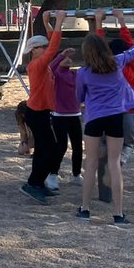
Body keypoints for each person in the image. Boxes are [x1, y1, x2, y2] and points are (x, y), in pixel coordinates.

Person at [76, 25, 134, 225]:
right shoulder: (117, 62)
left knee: (90, 163)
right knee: (114, 164)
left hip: (94, 118)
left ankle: (85, 209)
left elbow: (79, 96)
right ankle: (118, 213)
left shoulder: (83, 72)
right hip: (116, 116)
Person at [19, 12, 62, 204]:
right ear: (34, 50)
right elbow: (54, 47)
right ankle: (33, 183)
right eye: (42, 47)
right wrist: (59, 22)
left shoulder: (41, 64)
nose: (46, 48)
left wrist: (47, 23)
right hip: (36, 113)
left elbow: (52, 43)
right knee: (49, 150)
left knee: (47, 150)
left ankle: (37, 183)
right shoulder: (37, 65)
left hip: (41, 112)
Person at [49, 48, 83, 185]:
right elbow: (50, 67)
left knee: (77, 146)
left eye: (70, 58)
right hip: (59, 115)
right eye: (65, 58)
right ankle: (52, 174)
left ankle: (76, 174)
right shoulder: (55, 74)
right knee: (61, 146)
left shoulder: (75, 74)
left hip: (75, 115)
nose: (68, 59)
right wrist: (60, 56)